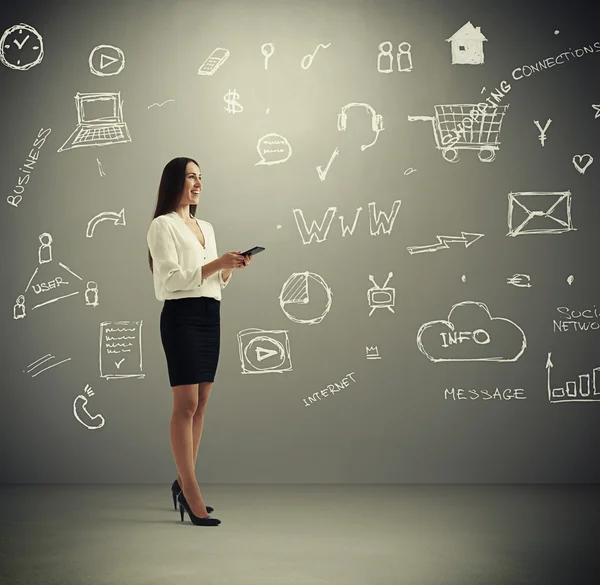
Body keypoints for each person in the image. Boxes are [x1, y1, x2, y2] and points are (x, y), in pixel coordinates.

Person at [146, 157, 252, 527]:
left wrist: (228, 268)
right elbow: (171, 281)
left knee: (202, 401)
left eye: (200, 177)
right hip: (181, 316)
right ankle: (192, 491)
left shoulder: (205, 225)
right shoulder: (162, 226)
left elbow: (212, 282)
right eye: (191, 176)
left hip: (210, 316)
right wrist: (215, 264)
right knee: (186, 403)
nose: (198, 183)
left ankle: (181, 481)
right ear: (175, 181)